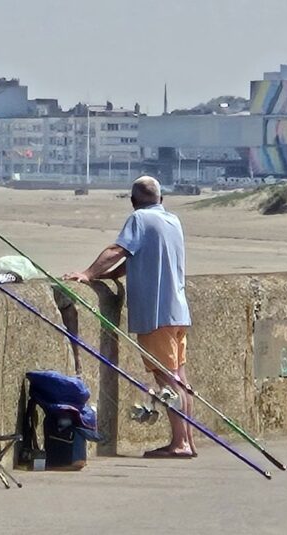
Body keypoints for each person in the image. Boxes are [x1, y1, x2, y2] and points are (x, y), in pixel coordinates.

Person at [64, 176, 195, 458]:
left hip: (155, 313)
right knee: (180, 378)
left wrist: (88, 274)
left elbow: (118, 250)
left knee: (167, 380)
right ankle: (188, 440)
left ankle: (180, 443)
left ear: (134, 201)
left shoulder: (139, 220)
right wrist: (107, 275)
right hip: (178, 311)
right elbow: (135, 259)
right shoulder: (173, 221)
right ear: (161, 199)